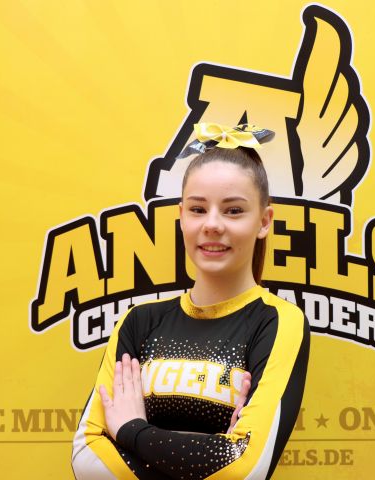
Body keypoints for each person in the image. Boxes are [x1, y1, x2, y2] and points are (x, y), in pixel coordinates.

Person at [72, 123, 311, 479]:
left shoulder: (277, 322)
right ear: (181, 216)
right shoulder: (139, 322)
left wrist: (131, 430)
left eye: (233, 211)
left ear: (264, 221)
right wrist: (213, 450)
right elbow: (86, 458)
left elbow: (244, 470)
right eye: (198, 209)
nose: (212, 224)